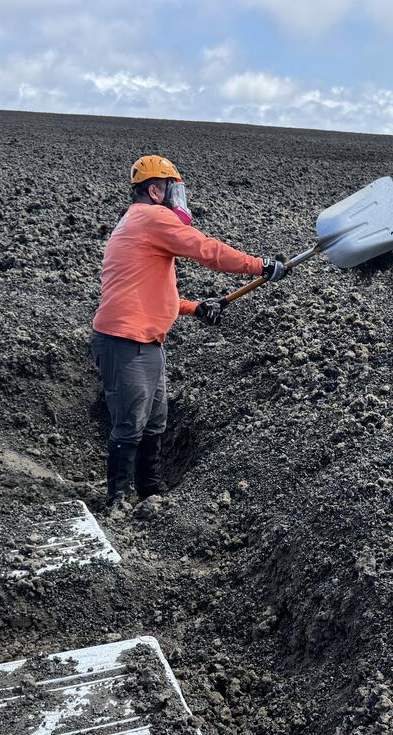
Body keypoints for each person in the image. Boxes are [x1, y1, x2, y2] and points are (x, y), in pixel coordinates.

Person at [90, 154, 286, 506]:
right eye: (171, 189)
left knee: (154, 420)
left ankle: (149, 491)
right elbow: (205, 249)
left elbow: (151, 294)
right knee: (132, 423)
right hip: (124, 341)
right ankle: (117, 499)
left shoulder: (138, 223)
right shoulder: (152, 217)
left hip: (144, 341)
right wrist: (260, 266)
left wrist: (194, 307)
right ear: (154, 190)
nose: (175, 198)